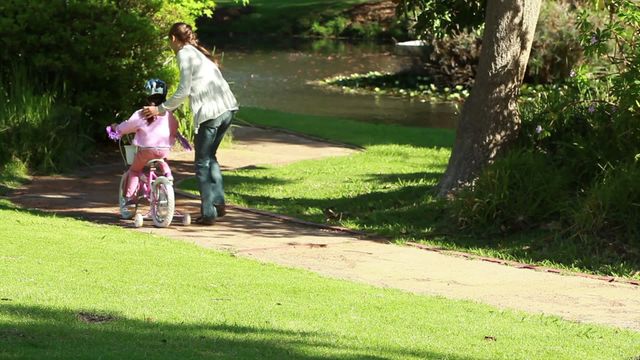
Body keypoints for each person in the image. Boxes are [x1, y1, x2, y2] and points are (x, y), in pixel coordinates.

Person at [143, 22, 238, 226]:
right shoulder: (197, 52)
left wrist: (159, 109)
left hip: (211, 113)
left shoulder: (184, 54)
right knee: (210, 156)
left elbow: (183, 90)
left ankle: (208, 213)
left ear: (174, 39)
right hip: (228, 109)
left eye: (169, 40)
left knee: (202, 163)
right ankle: (218, 202)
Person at [112, 79, 178, 205]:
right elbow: (174, 128)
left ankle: (130, 198)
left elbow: (126, 127)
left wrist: (116, 128)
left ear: (147, 97)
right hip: (163, 149)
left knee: (135, 170)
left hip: (146, 150)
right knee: (162, 159)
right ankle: (167, 174)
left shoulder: (141, 114)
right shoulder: (168, 114)